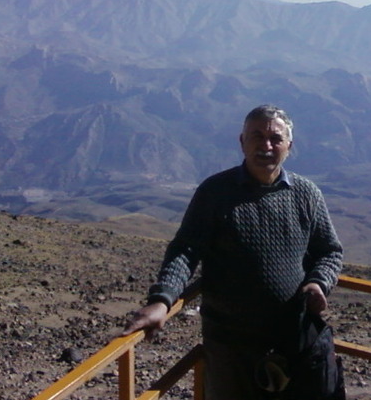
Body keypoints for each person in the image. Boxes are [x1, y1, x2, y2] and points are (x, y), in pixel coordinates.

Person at [123, 104, 343, 399]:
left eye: (275, 139)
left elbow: (329, 250)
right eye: (256, 136)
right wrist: (162, 300)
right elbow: (186, 250)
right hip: (231, 347)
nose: (266, 145)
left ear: (289, 146)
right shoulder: (215, 193)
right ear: (242, 141)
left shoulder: (306, 193)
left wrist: (319, 282)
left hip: (293, 339)